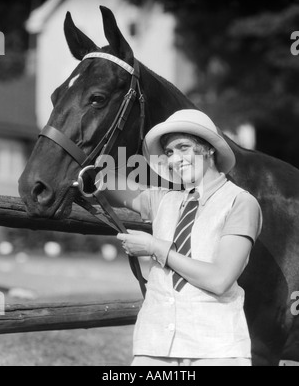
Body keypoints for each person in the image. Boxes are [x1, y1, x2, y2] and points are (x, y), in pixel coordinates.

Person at [102, 109, 263, 366]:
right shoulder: (164, 200)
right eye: (169, 152)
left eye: (183, 148)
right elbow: (104, 180)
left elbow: (220, 279)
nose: (174, 159)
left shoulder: (240, 203)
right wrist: (81, 164)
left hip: (215, 348)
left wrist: (156, 247)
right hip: (154, 343)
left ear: (209, 149)